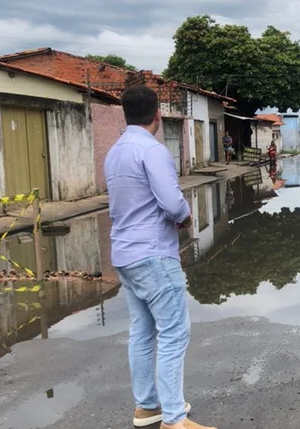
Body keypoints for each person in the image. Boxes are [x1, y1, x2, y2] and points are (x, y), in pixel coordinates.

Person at [104, 85, 217, 429]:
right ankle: (174, 420)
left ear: (125, 114)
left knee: (142, 332)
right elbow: (171, 202)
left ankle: (147, 407)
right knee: (173, 333)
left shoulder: (115, 151)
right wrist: (185, 216)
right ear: (157, 115)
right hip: (153, 254)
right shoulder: (152, 151)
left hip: (124, 253)